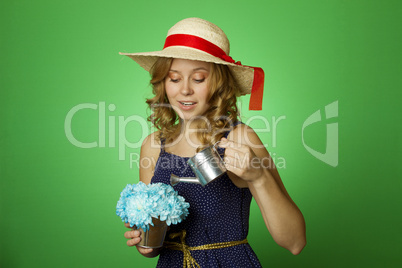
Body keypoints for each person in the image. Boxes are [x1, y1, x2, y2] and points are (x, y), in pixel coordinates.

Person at [120, 17, 306, 267]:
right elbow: (153, 245)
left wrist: (259, 177)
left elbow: (295, 242)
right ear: (163, 84)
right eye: (174, 78)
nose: (185, 90)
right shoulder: (153, 146)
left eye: (198, 78)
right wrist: (145, 241)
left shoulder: (239, 138)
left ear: (219, 84)